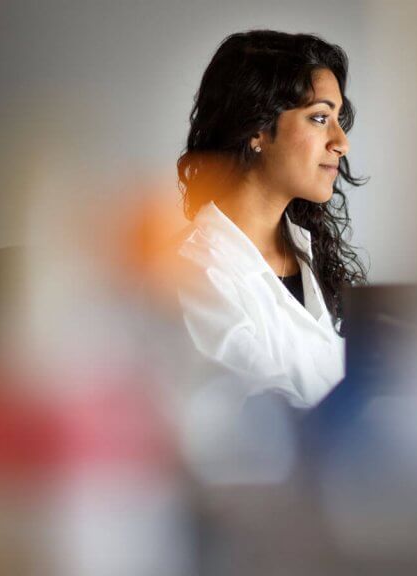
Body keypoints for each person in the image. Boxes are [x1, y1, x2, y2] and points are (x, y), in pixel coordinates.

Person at [175, 30, 366, 408]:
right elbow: (270, 418)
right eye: (319, 117)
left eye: (338, 119)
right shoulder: (198, 272)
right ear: (257, 129)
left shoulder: (305, 249)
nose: (341, 142)